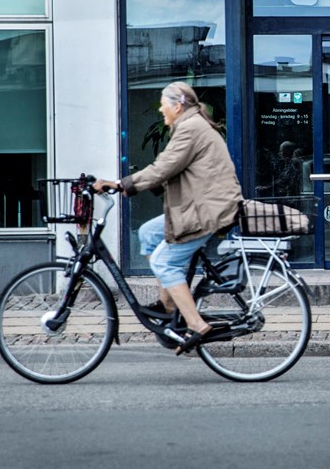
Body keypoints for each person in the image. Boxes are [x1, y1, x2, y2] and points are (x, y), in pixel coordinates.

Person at [95, 81, 243, 356]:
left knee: (165, 261)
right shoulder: (191, 124)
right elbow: (169, 168)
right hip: (200, 205)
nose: (161, 110)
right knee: (150, 233)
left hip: (207, 210)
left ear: (177, 105)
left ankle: (197, 325)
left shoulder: (191, 128)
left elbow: (164, 167)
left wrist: (121, 184)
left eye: (164, 104)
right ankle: (169, 306)